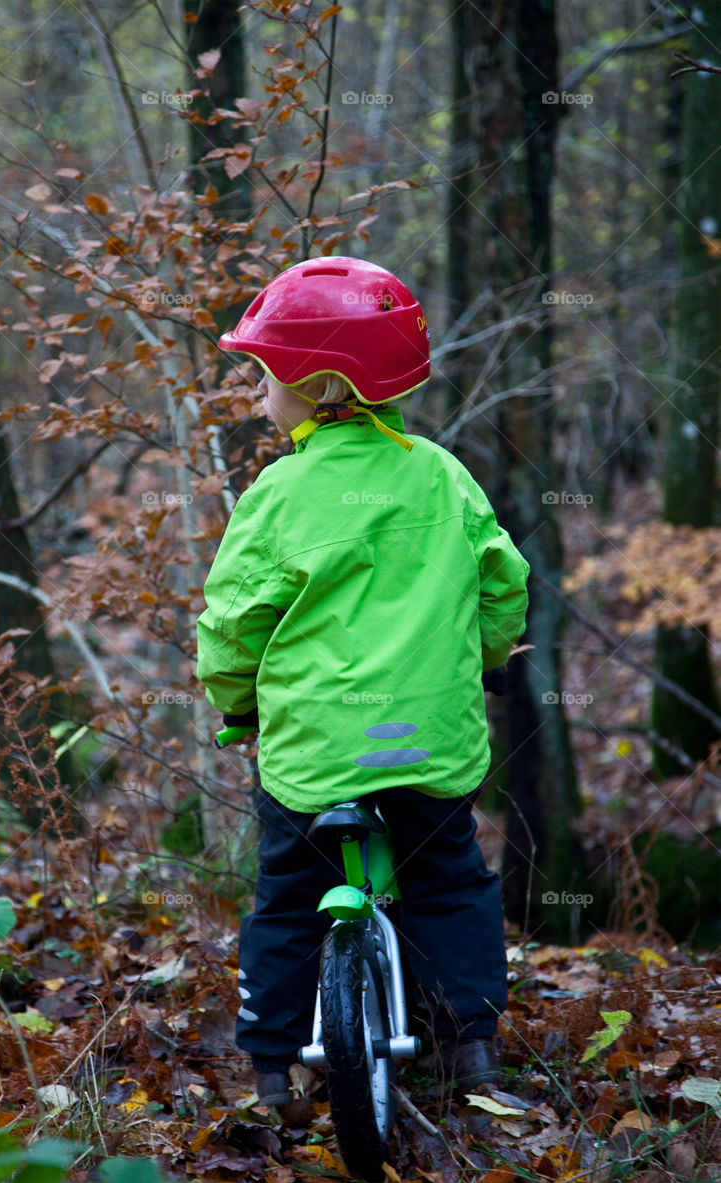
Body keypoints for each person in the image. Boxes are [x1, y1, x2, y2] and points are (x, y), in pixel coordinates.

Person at [196, 257, 529, 1107]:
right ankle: (470, 1048)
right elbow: (502, 586)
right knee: (449, 879)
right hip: (428, 740)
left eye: (267, 376)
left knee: (285, 897)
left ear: (321, 388)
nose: (259, 394)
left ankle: (270, 1065)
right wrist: (482, 660)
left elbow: (234, 622)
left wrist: (237, 705)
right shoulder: (440, 474)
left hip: (313, 751)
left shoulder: (277, 494)